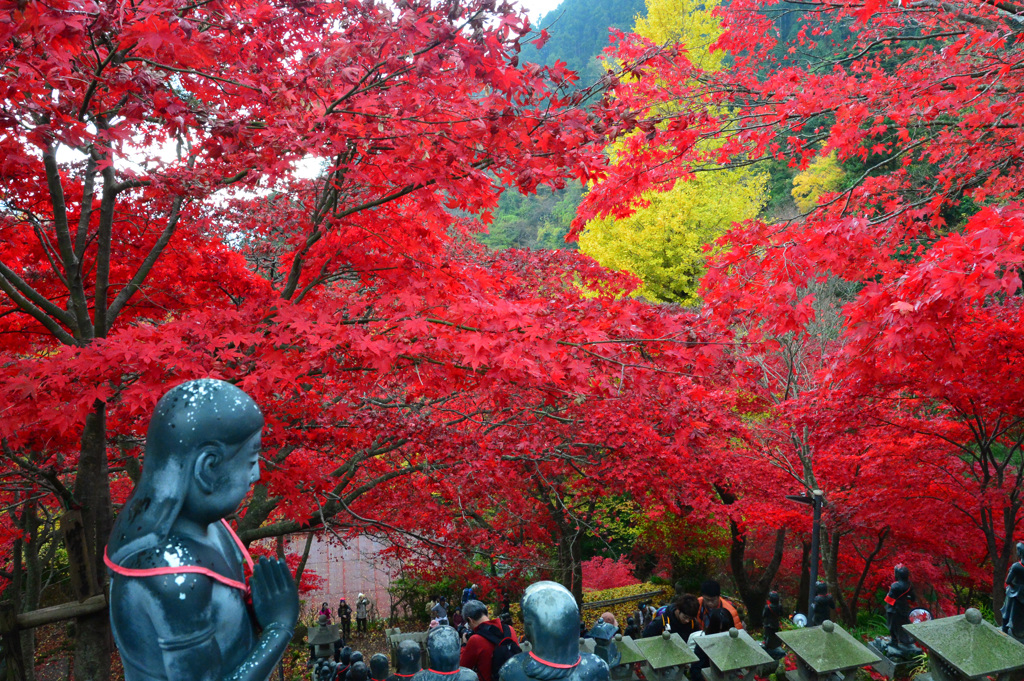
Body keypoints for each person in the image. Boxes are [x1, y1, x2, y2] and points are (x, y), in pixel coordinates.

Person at [106, 379, 299, 681]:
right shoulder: (173, 577)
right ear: (207, 469)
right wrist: (279, 628)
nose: (257, 475)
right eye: (250, 460)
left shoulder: (211, 526)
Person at [460, 600, 519, 681]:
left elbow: (462, 669)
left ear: (470, 620)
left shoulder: (475, 640)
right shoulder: (509, 629)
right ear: (487, 614)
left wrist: (464, 646)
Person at [1002, 541, 1024, 641]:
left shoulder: (1016, 566)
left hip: (1014, 592)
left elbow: (1008, 581)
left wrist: (1013, 587)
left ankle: (1004, 629)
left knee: (1007, 611)